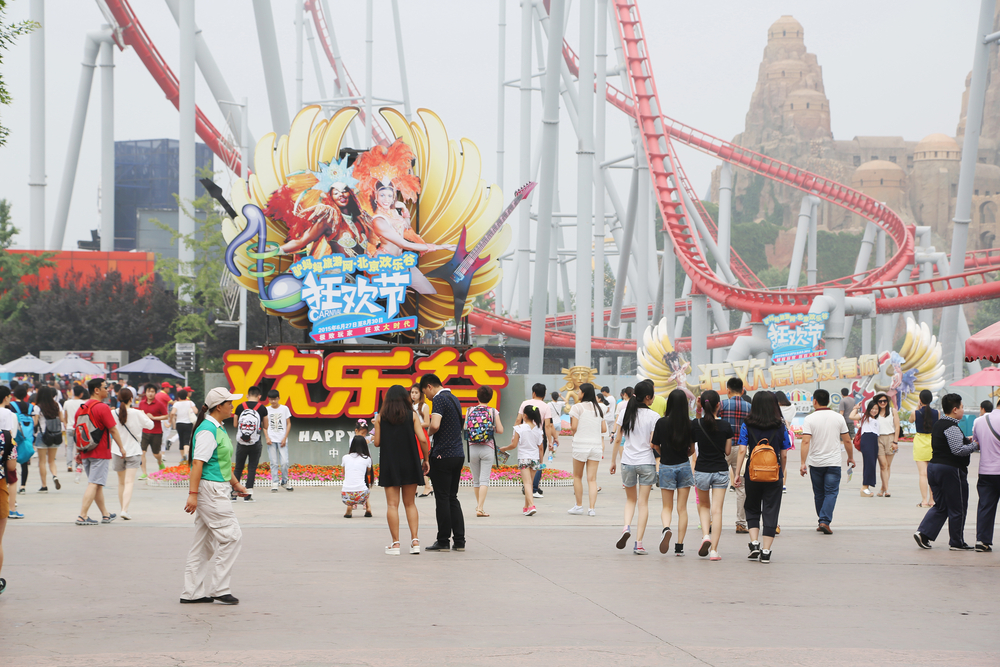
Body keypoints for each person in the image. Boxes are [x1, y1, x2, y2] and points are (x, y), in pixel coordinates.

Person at [180, 387, 248, 605]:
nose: (232, 406)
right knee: (232, 536)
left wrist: (236, 484)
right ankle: (220, 588)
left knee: (203, 545)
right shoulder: (208, 430)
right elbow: (198, 463)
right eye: (229, 402)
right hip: (211, 491)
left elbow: (220, 462)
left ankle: (192, 593)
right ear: (219, 406)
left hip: (215, 488)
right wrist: (193, 494)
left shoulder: (217, 427)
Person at [914, 393, 979, 551]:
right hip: (950, 470)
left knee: (941, 505)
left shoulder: (939, 424)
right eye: (962, 407)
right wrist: (976, 445)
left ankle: (923, 533)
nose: (963, 410)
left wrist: (967, 440)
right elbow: (958, 450)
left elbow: (952, 443)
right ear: (955, 409)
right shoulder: (952, 426)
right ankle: (957, 542)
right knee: (958, 506)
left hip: (934, 468)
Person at [735, 391, 792, 563]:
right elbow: (784, 454)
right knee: (771, 509)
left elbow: (743, 450)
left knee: (752, 507)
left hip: (753, 473)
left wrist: (737, 473)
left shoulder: (747, 424)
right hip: (774, 475)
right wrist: (781, 472)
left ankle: (754, 543)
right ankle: (766, 551)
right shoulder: (780, 426)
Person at [373, 384, 429, 555]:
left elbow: (377, 443)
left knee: (392, 504)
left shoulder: (381, 417)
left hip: (390, 463)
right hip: (410, 462)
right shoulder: (412, 415)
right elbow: (423, 439)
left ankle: (396, 544)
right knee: (410, 503)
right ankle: (415, 541)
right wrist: (426, 459)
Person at [609, 380, 658, 555]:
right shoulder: (654, 417)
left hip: (627, 461)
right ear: (647, 397)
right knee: (643, 503)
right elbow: (653, 444)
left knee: (630, 500)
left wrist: (613, 461)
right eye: (652, 395)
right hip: (646, 462)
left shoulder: (624, 412)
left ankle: (626, 527)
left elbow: (617, 439)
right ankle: (639, 544)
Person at [799, 389, 855, 534]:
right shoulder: (838, 417)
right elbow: (847, 440)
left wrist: (802, 463)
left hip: (816, 463)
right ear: (828, 401)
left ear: (815, 401)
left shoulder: (809, 419)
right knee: (831, 493)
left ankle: (822, 520)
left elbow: (805, 442)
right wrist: (850, 457)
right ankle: (824, 521)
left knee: (819, 494)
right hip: (833, 463)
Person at [422, 374, 466, 552]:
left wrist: (426, 433)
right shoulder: (454, 398)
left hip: (443, 455)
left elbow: (436, 424)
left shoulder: (439, 399)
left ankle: (443, 541)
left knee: (442, 499)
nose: (427, 397)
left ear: (430, 386)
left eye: (425, 392)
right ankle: (460, 541)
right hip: (457, 454)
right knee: (452, 497)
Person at [75, 378, 126, 526]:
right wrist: (121, 447)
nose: (108, 390)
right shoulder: (102, 407)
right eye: (105, 387)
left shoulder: (81, 407)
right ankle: (82, 516)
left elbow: (77, 431)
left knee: (96, 483)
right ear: (96, 390)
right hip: (100, 451)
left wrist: (79, 451)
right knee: (94, 483)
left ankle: (105, 514)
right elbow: (113, 430)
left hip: (85, 450)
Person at [651, 389, 696, 557]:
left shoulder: (661, 423)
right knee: (682, 508)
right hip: (684, 466)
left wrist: (664, 453)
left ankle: (666, 528)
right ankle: (679, 546)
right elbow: (692, 449)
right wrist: (685, 455)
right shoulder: (689, 424)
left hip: (666, 466)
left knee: (667, 506)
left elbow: (654, 445)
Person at [691, 390, 733, 561]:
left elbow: (691, 450)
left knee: (704, 506)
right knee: (717, 511)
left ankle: (705, 536)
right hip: (720, 470)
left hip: (702, 470)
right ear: (719, 405)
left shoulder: (696, 423)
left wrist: (698, 409)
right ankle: (714, 551)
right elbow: (728, 451)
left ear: (702, 404)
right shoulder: (726, 426)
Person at [111, 388, 153, 520]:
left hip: (117, 451)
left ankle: (122, 508)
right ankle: (125, 510)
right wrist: (144, 414)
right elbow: (151, 425)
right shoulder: (137, 413)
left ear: (118, 399)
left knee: (121, 482)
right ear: (131, 399)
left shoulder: (113, 413)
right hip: (133, 451)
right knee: (129, 482)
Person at [567, 383, 606, 516]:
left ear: (583, 393)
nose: (577, 393)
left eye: (579, 391)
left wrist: (576, 432)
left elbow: (574, 427)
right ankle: (592, 509)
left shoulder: (577, 407)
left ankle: (578, 506)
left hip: (580, 445)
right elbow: (604, 429)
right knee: (592, 479)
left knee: (577, 476)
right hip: (595, 446)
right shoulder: (599, 408)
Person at [464, 386, 503, 517]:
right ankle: (480, 508)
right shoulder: (493, 411)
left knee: (476, 480)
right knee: (484, 480)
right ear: (491, 398)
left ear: (477, 397)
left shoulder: (470, 410)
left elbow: (465, 429)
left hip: (472, 448)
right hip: (487, 447)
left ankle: (479, 507)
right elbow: (501, 430)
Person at [720, 377, 752, 533]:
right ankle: (741, 522)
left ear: (728, 390)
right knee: (742, 487)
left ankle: (712, 520)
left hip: (724, 448)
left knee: (718, 484)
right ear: (743, 390)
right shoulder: (749, 407)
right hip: (742, 449)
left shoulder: (723, 405)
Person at [516, 383, 557, 498]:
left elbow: (518, 420)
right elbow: (548, 426)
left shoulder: (525, 403)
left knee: (524, 460)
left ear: (533, 393)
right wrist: (550, 441)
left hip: (524, 437)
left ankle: (527, 485)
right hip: (538, 437)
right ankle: (534, 488)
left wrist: (515, 435)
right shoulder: (546, 406)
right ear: (544, 394)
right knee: (538, 462)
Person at [972, 398, 1000, 552]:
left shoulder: (979, 421)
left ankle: (982, 540)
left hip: (985, 471)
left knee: (985, 506)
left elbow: (976, 442)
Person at [232, 387, 268, 503]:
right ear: (259, 396)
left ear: (247, 395)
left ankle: (234, 494)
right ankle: (248, 496)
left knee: (238, 467)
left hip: (241, 442)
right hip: (255, 442)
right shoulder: (262, 408)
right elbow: (265, 426)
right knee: (251, 468)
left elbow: (235, 424)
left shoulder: (240, 407)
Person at [908, 390, 938, 508]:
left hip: (920, 442)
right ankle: (932, 500)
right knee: (933, 474)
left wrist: (917, 406)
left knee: (922, 474)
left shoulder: (915, 413)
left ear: (920, 399)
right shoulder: (937, 413)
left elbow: (911, 420)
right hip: (933, 442)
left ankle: (924, 501)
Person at [34, 386, 64, 493]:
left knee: (42, 462)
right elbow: (61, 419)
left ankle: (44, 485)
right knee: (51, 461)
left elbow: (35, 423)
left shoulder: (38, 407)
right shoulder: (57, 405)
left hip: (43, 436)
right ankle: (55, 475)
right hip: (55, 435)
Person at [850, 397, 882, 497]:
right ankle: (864, 487)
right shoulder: (864, 416)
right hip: (867, 440)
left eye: (876, 409)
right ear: (868, 409)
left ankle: (867, 486)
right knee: (869, 464)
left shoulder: (876, 420)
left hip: (874, 441)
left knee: (872, 464)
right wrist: (856, 407)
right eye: (872, 408)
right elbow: (851, 416)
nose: (874, 410)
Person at [137, 384, 169, 481]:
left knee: (156, 453)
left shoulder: (159, 404)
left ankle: (160, 462)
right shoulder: (141, 403)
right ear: (145, 393)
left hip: (156, 431)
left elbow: (166, 416)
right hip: (144, 431)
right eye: (148, 391)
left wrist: (154, 418)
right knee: (142, 452)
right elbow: (139, 415)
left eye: (152, 391)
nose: (150, 393)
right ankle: (144, 473)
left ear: (155, 393)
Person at [264, 390, 293, 492]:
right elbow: (264, 425)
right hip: (271, 439)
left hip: (282, 439)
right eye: (271, 399)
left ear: (278, 398)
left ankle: (285, 481)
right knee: (274, 462)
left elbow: (288, 423)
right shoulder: (266, 409)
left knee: (285, 462)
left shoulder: (284, 408)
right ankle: (275, 482)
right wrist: (267, 437)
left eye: (275, 399)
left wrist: (285, 437)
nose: (273, 401)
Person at [872, 392, 900, 497]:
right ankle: (886, 489)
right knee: (883, 465)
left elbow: (897, 427)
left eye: (884, 401)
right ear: (877, 402)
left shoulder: (893, 411)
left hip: (891, 438)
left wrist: (895, 442)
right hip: (878, 439)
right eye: (880, 401)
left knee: (888, 465)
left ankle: (883, 488)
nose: (883, 403)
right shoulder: (875, 412)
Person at [1, 387, 22, 522]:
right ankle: (12, 508)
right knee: (12, 479)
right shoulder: (9, 413)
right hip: (6, 452)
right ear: (6, 397)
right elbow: (10, 433)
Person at [341, 436, 374, 519]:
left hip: (345, 495)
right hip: (361, 495)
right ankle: (368, 508)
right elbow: (368, 472)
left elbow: (344, 473)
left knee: (351, 486)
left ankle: (349, 506)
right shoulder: (367, 459)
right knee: (365, 486)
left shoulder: (345, 457)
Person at [10, 385, 34, 495]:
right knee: (24, 463)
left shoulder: (12, 405)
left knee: (12, 462)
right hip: (27, 439)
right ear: (25, 395)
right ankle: (23, 486)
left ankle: (11, 485)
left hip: (15, 437)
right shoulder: (30, 406)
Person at [411, 384, 433, 498]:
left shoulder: (424, 406)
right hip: (411, 434)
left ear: (421, 394)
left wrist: (415, 424)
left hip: (420, 434)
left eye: (416, 392)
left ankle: (427, 486)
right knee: (414, 462)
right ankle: (417, 487)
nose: (413, 395)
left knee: (421, 461)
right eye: (412, 392)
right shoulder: (409, 406)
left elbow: (427, 423)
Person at [775, 390, 796, 493]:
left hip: (775, 434)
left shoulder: (775, 408)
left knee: (775, 459)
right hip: (786, 435)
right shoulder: (792, 408)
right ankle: (783, 484)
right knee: (784, 459)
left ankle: (776, 482)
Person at [62, 385, 86, 474]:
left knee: (69, 447)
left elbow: (65, 416)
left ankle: (69, 465)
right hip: (79, 428)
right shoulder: (83, 403)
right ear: (81, 393)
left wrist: (66, 424)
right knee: (78, 447)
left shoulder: (67, 403)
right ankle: (77, 464)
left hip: (69, 427)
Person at [171, 389, 197, 464]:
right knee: (187, 439)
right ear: (186, 396)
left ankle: (182, 457)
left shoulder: (176, 404)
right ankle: (186, 454)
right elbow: (196, 411)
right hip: (188, 423)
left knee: (181, 440)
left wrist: (171, 420)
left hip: (179, 423)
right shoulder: (190, 403)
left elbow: (172, 412)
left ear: (178, 396)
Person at [547, 391, 565, 455]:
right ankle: (554, 451)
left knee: (550, 439)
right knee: (556, 438)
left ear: (552, 397)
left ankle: (551, 449)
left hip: (552, 423)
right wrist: (561, 396)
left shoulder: (549, 404)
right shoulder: (560, 403)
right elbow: (566, 401)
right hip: (558, 423)